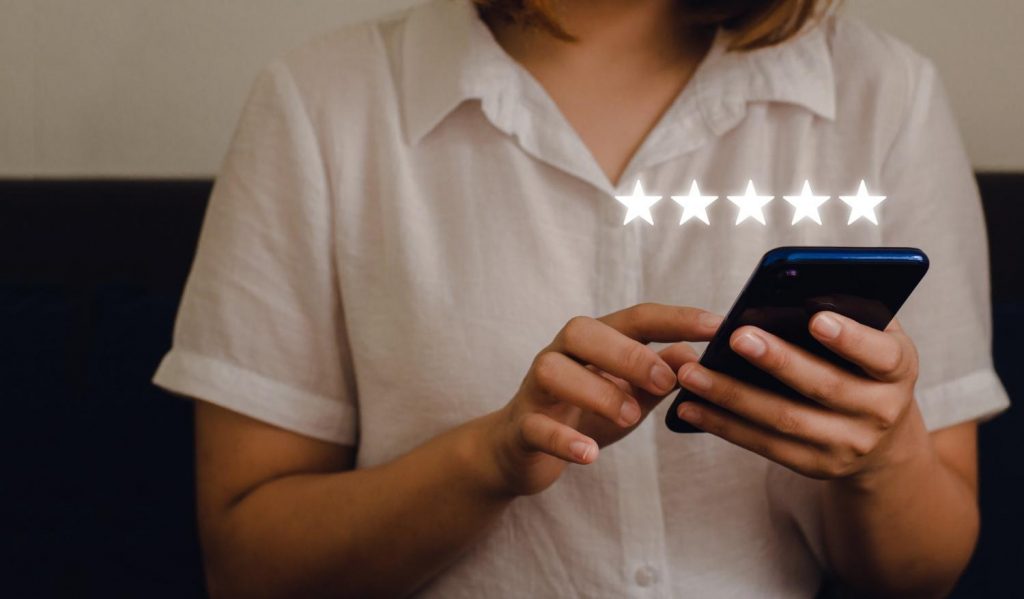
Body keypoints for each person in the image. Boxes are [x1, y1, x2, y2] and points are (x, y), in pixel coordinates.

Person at [153, 0, 1010, 596]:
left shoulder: (883, 95)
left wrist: (883, 458)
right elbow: (248, 567)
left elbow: (923, 574)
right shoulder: (323, 103)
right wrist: (488, 460)